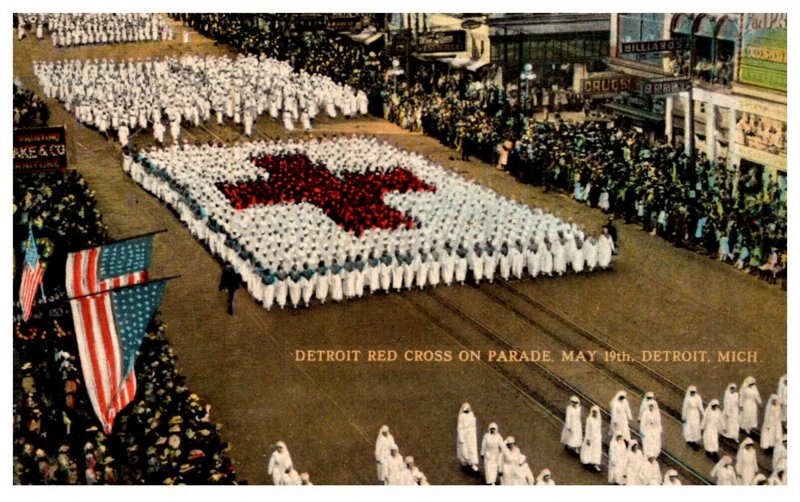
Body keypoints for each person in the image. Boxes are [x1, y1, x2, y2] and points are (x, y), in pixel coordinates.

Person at [456, 403, 479, 472]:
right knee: (464, 448)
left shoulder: (471, 415)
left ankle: (472, 463)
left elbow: (473, 424)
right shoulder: (461, 417)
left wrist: (474, 432)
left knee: (472, 448)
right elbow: (460, 428)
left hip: (471, 435)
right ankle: (465, 460)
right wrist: (461, 437)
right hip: (465, 434)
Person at [580, 405, 602, 472]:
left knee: (596, 451)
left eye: (596, 412)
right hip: (590, 437)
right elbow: (587, 429)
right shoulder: (589, 419)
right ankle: (587, 461)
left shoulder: (598, 420)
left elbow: (599, 429)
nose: (595, 413)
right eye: (593, 412)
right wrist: (588, 438)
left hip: (597, 438)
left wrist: (599, 437)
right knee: (588, 449)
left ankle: (595, 464)